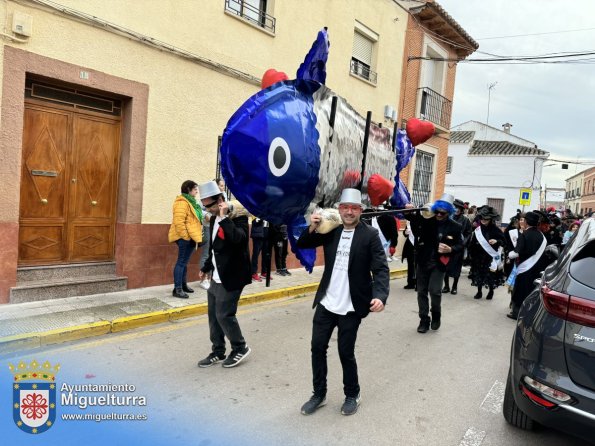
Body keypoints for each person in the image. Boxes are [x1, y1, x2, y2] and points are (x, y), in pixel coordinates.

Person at [296, 188, 389, 416]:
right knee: (317, 348)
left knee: (345, 352)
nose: (349, 212)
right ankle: (319, 394)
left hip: (351, 306)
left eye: (354, 208)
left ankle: (352, 394)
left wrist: (379, 296)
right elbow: (304, 243)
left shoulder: (370, 235)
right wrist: (313, 226)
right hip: (327, 302)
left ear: (361, 210)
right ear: (339, 209)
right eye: (345, 207)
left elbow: (380, 268)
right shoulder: (332, 230)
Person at [197, 180, 252, 368]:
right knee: (213, 315)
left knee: (224, 315)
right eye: (205, 207)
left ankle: (240, 347)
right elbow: (213, 248)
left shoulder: (240, 217)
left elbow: (239, 240)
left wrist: (225, 218)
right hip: (216, 275)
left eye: (210, 206)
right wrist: (205, 267)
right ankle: (218, 351)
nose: (208, 210)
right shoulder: (212, 219)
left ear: (220, 200)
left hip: (233, 275)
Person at [405, 193, 463, 333]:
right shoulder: (428, 220)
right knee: (421, 292)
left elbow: (460, 245)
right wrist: (409, 210)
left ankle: (436, 315)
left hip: (440, 263)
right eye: (437, 211)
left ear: (448, 212)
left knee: (435, 291)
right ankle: (424, 320)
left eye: (442, 213)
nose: (439, 214)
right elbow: (413, 217)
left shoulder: (455, 226)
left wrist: (450, 248)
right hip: (423, 261)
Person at [507, 211, 548, 319]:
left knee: (520, 290)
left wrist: (509, 255)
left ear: (526, 222)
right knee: (532, 290)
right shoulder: (542, 236)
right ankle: (529, 313)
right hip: (537, 268)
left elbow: (516, 252)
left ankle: (516, 313)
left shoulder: (524, 234)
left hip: (525, 268)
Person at [168, 180, 203, 298]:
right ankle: (177, 289)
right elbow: (179, 222)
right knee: (181, 262)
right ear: (188, 189)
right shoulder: (182, 202)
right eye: (195, 189)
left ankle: (183, 285)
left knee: (184, 262)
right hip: (185, 238)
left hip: (191, 237)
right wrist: (186, 237)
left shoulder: (191, 202)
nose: (197, 191)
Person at [468, 206, 505, 300]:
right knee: (479, 274)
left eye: (486, 219)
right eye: (482, 218)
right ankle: (479, 291)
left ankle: (491, 291)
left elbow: (504, 242)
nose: (483, 220)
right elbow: (472, 242)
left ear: (490, 219)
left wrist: (496, 241)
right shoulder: (478, 230)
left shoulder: (496, 230)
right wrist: (471, 254)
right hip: (478, 256)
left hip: (490, 257)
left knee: (490, 276)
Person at [443, 198, 472, 295]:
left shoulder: (465, 220)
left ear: (461, 209)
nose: (457, 209)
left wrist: (464, 242)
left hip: (458, 247)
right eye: (455, 207)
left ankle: (454, 287)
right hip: (447, 246)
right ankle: (446, 286)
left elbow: (468, 233)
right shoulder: (448, 217)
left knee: (456, 269)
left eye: (458, 208)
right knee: (445, 266)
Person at [402, 221, 416, 289]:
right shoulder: (409, 223)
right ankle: (410, 283)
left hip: (418, 245)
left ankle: (418, 282)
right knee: (410, 265)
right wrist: (405, 232)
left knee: (417, 266)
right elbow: (405, 234)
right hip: (410, 247)